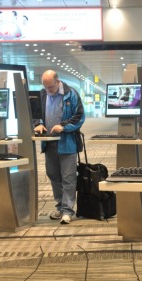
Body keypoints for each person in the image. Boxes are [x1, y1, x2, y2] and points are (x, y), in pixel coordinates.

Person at [34, 69, 85, 225]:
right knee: (53, 175)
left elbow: (79, 117)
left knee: (68, 177)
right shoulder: (42, 95)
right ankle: (60, 206)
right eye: (46, 87)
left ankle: (67, 211)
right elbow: (36, 115)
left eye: (51, 87)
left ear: (57, 81)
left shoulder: (71, 94)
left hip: (67, 143)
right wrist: (39, 124)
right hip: (49, 142)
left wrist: (63, 127)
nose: (48, 90)